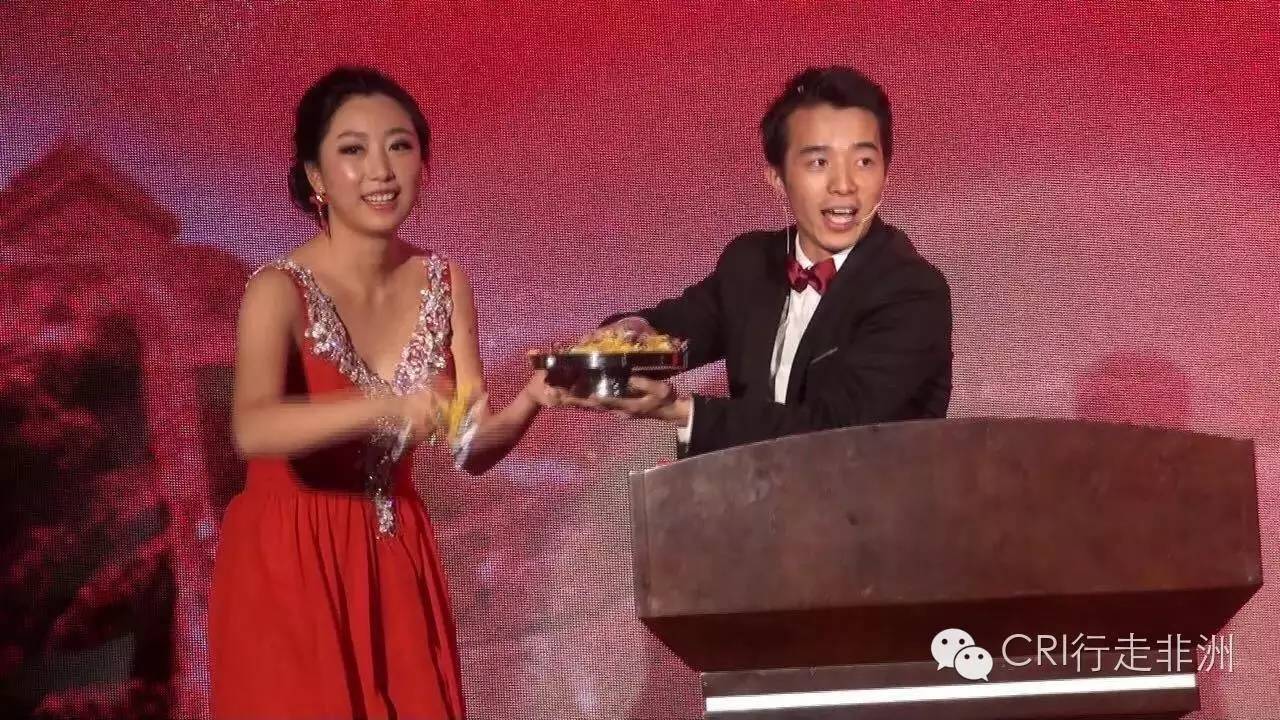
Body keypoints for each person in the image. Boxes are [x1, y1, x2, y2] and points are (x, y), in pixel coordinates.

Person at [208, 66, 552, 719]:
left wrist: (535, 396)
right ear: (315, 177)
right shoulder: (277, 290)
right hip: (290, 562)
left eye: (399, 146)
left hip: (396, 558)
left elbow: (469, 444)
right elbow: (253, 428)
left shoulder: (446, 283)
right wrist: (385, 407)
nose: (381, 170)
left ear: (422, 164)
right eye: (353, 149)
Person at [561, 66, 952, 457]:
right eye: (819, 162)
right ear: (777, 178)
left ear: (886, 173)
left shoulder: (913, 292)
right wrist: (620, 339)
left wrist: (683, 412)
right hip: (754, 493)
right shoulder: (751, 264)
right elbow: (671, 331)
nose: (844, 185)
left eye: (864, 161)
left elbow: (838, 431)